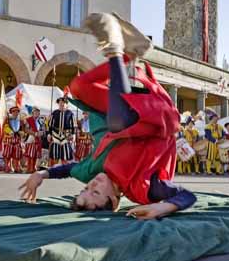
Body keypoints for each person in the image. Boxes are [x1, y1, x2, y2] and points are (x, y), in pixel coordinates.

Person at [19, 12, 195, 219]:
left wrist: (41, 174)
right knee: (118, 123)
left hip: (115, 115)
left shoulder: (91, 172)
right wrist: (163, 207)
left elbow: (69, 169)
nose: (91, 185)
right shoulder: (142, 189)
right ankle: (115, 51)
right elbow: (186, 196)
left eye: (85, 190)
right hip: (155, 122)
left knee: (80, 86)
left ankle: (132, 51)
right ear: (114, 201)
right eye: (95, 192)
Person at [48, 97, 75, 166]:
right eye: (60, 103)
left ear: (66, 104)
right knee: (55, 152)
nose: (61, 104)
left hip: (66, 135)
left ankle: (64, 168)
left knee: (65, 152)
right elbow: (50, 124)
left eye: (63, 103)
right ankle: (54, 168)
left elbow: (74, 125)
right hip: (55, 134)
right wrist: (49, 134)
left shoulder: (70, 113)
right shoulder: (54, 113)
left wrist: (73, 134)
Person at [1, 105, 24, 173]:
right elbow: (4, 127)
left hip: (17, 139)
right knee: (8, 153)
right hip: (9, 138)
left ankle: (16, 167)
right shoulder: (8, 119)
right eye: (14, 111)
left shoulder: (20, 120)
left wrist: (21, 132)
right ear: (11, 112)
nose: (15, 113)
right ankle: (7, 167)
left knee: (17, 154)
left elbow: (22, 129)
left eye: (17, 111)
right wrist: (9, 131)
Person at [24, 107, 44, 173]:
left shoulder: (41, 120)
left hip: (38, 139)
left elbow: (43, 129)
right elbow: (26, 129)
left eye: (38, 112)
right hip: (31, 137)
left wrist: (42, 133)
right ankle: (29, 168)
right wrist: (34, 133)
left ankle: (33, 167)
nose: (36, 114)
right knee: (30, 153)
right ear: (32, 113)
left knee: (35, 154)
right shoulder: (28, 120)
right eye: (35, 112)